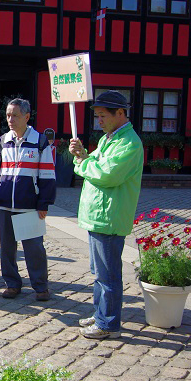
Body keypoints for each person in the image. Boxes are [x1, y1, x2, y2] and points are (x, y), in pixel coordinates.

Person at [69, 90, 144, 340]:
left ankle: (108, 323)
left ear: (120, 113)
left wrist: (81, 163)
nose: (99, 121)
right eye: (97, 116)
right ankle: (101, 312)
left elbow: (107, 175)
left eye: (103, 116)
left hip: (109, 217)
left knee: (108, 275)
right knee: (99, 273)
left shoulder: (129, 143)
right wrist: (83, 155)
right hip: (98, 215)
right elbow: (96, 165)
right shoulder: (108, 139)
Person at [0, 98, 56, 301]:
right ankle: (12, 284)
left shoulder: (40, 141)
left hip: (30, 206)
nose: (10, 119)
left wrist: (44, 203)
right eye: (8, 115)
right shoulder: (2, 141)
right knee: (7, 249)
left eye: (15, 115)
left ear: (27, 116)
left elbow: (47, 175)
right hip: (5, 203)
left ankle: (40, 286)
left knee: (34, 249)